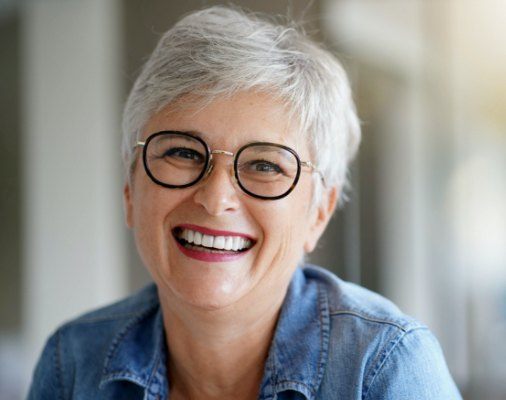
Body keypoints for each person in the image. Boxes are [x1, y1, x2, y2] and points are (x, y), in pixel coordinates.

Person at [28, 6, 462, 400]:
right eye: (182, 152)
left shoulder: (385, 367)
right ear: (129, 188)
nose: (216, 199)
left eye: (266, 166)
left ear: (319, 212)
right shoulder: (73, 362)